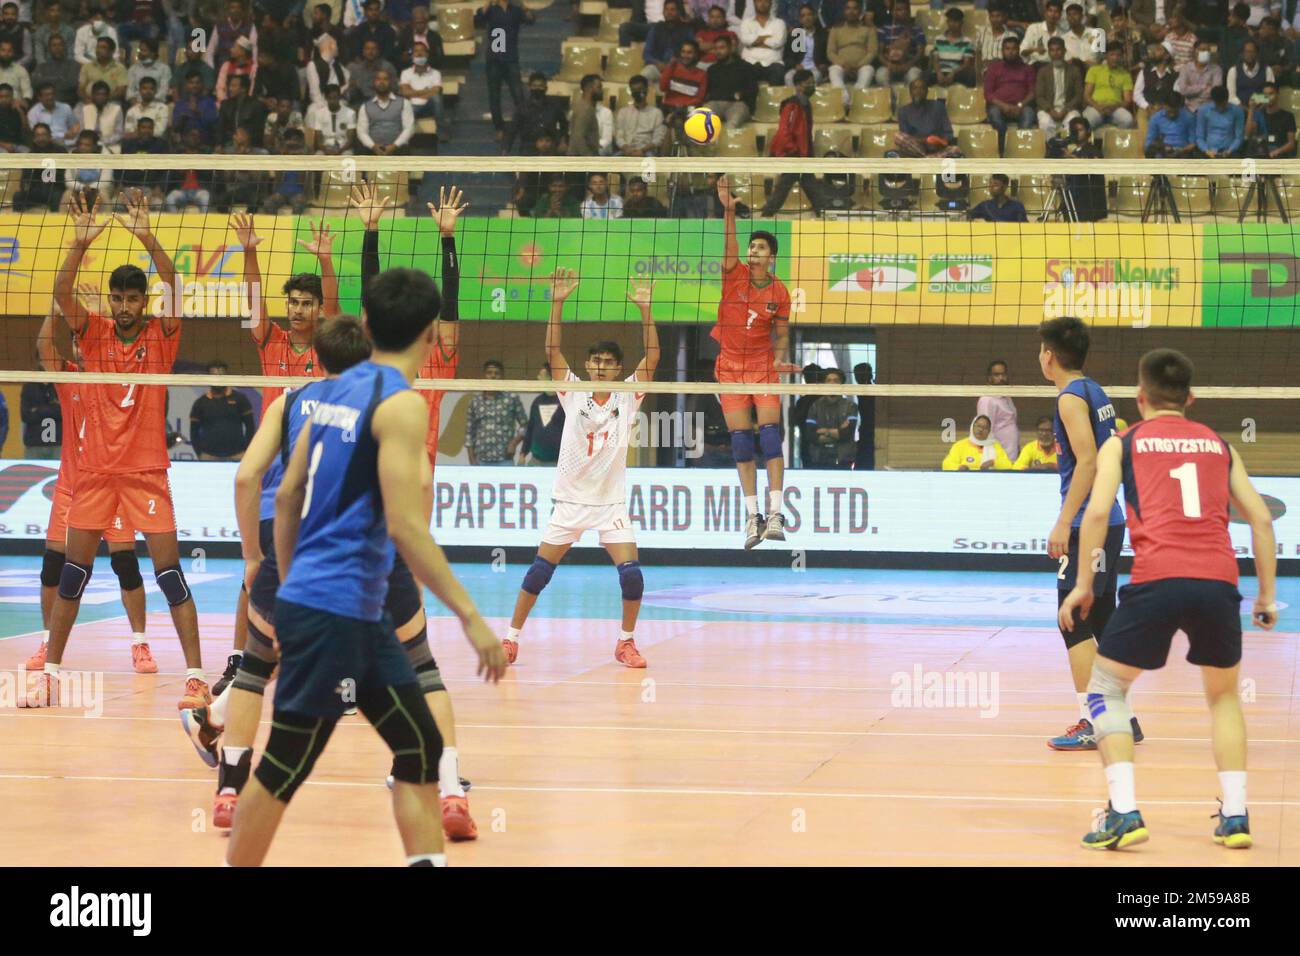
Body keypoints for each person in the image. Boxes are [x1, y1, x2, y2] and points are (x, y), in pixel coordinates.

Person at [223, 269, 506, 867]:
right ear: (433, 333)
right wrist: (473, 618)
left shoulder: (320, 395)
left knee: (420, 746)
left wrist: (291, 576)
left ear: (367, 325)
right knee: (283, 767)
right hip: (336, 613)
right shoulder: (399, 406)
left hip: (350, 611)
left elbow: (285, 493)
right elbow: (407, 528)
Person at [1060, 348, 1278, 851]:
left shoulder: (1124, 443)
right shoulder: (1218, 445)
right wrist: (1265, 595)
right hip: (1218, 581)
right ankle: (1237, 816)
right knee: (1223, 697)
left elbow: (1096, 515)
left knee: (1106, 690)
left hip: (1157, 578)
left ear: (1140, 399)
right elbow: (1262, 520)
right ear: (1192, 399)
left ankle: (1123, 812)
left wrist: (1084, 585)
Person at [31, 190, 207, 710]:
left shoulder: (162, 335)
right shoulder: (96, 332)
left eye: (134, 299)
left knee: (169, 574)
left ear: (144, 303)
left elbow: (174, 286)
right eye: (119, 298)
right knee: (73, 575)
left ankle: (196, 675)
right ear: (110, 300)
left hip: (146, 474)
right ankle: (52, 673)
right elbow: (64, 296)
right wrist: (80, 244)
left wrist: (148, 235)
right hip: (95, 474)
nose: (126, 307)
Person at [502, 269, 659, 669]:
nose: (602, 366)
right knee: (539, 573)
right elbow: (553, 351)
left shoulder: (628, 394)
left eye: (609, 362)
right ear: (588, 365)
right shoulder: (572, 389)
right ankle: (510, 639)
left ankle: (625, 642)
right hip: (570, 500)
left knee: (632, 577)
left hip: (610, 503)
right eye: (597, 361)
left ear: (618, 367)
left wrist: (646, 311)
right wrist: (557, 302)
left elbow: (653, 358)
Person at [24, 302, 150, 675]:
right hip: (72, 486)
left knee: (125, 565)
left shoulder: (121, 374)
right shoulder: (70, 377)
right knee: (52, 568)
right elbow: (44, 348)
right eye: (79, 340)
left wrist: (101, 317)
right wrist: (53, 308)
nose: (83, 345)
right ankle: (48, 641)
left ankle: (140, 643)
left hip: (114, 484)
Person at [1038, 315, 1141, 751]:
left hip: (1088, 525)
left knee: (1072, 619)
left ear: (1048, 356)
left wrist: (1064, 521)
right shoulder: (1096, 390)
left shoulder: (1069, 398)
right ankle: (1123, 718)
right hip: (1108, 519)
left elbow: (1089, 462)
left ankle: (1091, 720)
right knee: (1099, 617)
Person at [715, 174, 796, 547]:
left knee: (770, 439)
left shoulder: (780, 291)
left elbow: (782, 334)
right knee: (741, 445)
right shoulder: (735, 276)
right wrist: (729, 212)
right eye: (752, 247)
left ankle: (776, 514)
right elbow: (730, 250)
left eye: (761, 247)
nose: (755, 251)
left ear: (772, 255)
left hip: (762, 367)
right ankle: (752, 517)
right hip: (729, 367)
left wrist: (779, 361)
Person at [758, 67, 817, 216]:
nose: (811, 86)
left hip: (803, 154)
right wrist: (793, 151)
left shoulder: (805, 104)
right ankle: (766, 214)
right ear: (797, 85)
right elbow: (785, 131)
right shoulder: (792, 105)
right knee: (785, 185)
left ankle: (824, 212)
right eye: (807, 83)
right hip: (794, 153)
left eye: (813, 83)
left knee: (809, 184)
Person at [474, 0, 534, 140]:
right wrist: (487, 3)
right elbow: (478, 20)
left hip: (511, 58)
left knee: (518, 95)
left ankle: (523, 126)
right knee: (494, 96)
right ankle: (499, 128)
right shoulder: (490, 10)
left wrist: (524, 7)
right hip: (494, 59)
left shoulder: (516, 10)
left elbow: (531, 20)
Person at [189, 360, 256, 461]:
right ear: (208, 377)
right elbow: (193, 432)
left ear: (227, 376)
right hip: (208, 456)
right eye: (214, 375)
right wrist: (200, 453)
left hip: (237, 455)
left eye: (221, 375)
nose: (218, 378)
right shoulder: (201, 403)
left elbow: (250, 427)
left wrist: (246, 450)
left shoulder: (240, 399)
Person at [466, 359, 527, 464]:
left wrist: (514, 443)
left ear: (502, 377)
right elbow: (469, 433)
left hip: (505, 460)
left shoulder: (511, 399)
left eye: (497, 373)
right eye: (489, 373)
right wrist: (472, 459)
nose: (493, 376)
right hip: (481, 460)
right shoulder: (475, 402)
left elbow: (525, 425)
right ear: (484, 376)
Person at [984, 36, 1036, 151]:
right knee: (994, 115)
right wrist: (1003, 106)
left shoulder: (1027, 69)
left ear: (1018, 50)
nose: (1011, 52)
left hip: (1021, 106)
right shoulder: (994, 68)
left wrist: (1020, 105)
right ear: (1002, 51)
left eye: (1014, 49)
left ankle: (1020, 151)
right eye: (1007, 49)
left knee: (1029, 114)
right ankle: (1003, 152)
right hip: (998, 106)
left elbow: (1032, 92)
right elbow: (988, 94)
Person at [803, 368, 858, 468]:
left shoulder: (851, 406)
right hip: (818, 459)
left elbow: (847, 434)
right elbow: (810, 435)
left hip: (843, 460)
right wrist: (837, 432)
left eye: (836, 380)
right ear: (824, 384)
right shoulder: (815, 406)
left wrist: (824, 431)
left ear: (842, 385)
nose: (832, 383)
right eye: (828, 380)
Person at [894, 76, 960, 157]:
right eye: (915, 88)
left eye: (922, 88)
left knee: (955, 150)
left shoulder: (938, 107)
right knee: (898, 137)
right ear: (910, 92)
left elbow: (948, 134)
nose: (918, 91)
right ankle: (927, 158)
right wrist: (924, 141)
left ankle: (925, 158)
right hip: (916, 148)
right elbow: (906, 138)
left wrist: (938, 143)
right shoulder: (903, 111)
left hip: (936, 148)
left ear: (927, 91)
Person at [356, 68, 413, 154]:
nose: (381, 82)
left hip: (398, 148)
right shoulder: (365, 106)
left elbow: (409, 128)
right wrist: (373, 146)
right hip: (373, 149)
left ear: (391, 82)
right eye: (378, 79)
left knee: (405, 150)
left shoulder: (404, 103)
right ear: (374, 82)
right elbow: (361, 132)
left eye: (385, 79)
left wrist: (394, 146)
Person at [827, 0, 875, 103]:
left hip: (862, 66)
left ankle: (855, 100)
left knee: (869, 69)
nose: (851, 11)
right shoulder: (836, 29)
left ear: (860, 11)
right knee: (833, 70)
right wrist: (843, 64)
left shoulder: (868, 29)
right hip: (842, 66)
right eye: (848, 8)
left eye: (854, 8)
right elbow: (830, 52)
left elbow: (872, 52)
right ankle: (844, 100)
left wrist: (858, 65)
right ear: (844, 11)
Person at [704, 34, 756, 128]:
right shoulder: (712, 70)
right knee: (703, 120)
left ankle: (727, 142)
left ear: (731, 48)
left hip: (738, 105)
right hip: (716, 103)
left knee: (732, 124)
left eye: (722, 48)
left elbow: (752, 90)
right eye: (716, 48)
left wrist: (740, 95)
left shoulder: (745, 67)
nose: (718, 51)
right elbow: (708, 93)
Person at [1036, 36, 1083, 138]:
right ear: (1049, 52)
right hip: (1048, 109)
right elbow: (1039, 96)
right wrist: (1050, 110)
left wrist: (1065, 110)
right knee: (1046, 123)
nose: (1055, 53)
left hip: (1069, 109)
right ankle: (1051, 151)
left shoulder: (1074, 70)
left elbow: (1079, 95)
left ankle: (1067, 151)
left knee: (1072, 122)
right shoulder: (1043, 71)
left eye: (1058, 50)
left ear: (1064, 51)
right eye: (1052, 50)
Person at [642, 0, 696, 84]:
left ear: (678, 12)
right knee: (645, 74)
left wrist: (677, 63)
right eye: (666, 9)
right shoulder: (656, 29)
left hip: (678, 68)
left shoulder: (687, 30)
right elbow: (646, 54)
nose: (669, 12)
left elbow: (693, 52)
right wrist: (657, 63)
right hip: (658, 67)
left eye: (672, 9)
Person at [518, 366, 564, 465]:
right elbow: (530, 429)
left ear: (550, 378)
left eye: (541, 376)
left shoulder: (564, 402)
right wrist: (523, 453)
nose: (538, 378)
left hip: (558, 462)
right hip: (536, 460)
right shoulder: (537, 401)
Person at [1083, 45, 1136, 130]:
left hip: (1115, 109)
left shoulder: (1125, 74)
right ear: (1106, 56)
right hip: (1096, 107)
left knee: (1128, 120)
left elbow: (1127, 100)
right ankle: (1089, 143)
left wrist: (1114, 107)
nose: (1115, 58)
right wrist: (1097, 106)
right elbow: (1087, 95)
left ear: (1122, 57)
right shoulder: (1094, 70)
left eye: (1118, 55)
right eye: (1112, 54)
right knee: (1087, 120)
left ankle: (1117, 142)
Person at [976, 358, 1019, 459]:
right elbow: (984, 431)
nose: (1001, 378)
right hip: (997, 459)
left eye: (1003, 374)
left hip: (1011, 456)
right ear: (989, 378)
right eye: (996, 375)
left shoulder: (1007, 397)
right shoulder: (987, 399)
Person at [739, 0, 788, 85]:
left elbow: (778, 42)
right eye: (759, 1)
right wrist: (769, 38)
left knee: (778, 71)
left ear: (771, 4)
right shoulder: (746, 22)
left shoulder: (779, 23)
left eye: (766, 1)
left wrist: (754, 41)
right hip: (750, 61)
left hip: (773, 63)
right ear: (754, 3)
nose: (762, 4)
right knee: (742, 70)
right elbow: (745, 40)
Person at [616, 74, 667, 156]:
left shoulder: (656, 113)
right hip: (626, 150)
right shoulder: (623, 112)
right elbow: (619, 137)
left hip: (647, 151)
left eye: (640, 89)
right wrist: (627, 149)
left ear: (646, 90)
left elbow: (658, 139)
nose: (637, 92)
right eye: (634, 90)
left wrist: (642, 151)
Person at [1244, 81, 1297, 158]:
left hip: (1279, 155)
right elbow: (1247, 135)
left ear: (1278, 95)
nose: (1268, 97)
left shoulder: (1288, 116)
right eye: (1265, 95)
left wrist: (1277, 152)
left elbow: (1291, 144)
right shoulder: (1258, 114)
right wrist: (1251, 109)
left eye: (1271, 94)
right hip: (1261, 154)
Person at [942, 415, 1013, 470]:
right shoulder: (959, 446)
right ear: (972, 427)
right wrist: (959, 467)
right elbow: (946, 464)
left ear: (989, 431)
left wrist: (993, 462)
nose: (980, 429)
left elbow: (1008, 465)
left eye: (985, 427)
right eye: (978, 426)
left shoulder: (995, 445)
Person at [931, 7, 975, 90]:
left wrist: (953, 73)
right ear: (947, 22)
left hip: (957, 72)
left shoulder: (967, 41)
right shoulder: (938, 39)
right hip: (940, 70)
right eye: (950, 21)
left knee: (971, 76)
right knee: (923, 77)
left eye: (956, 21)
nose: (953, 24)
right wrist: (938, 73)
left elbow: (966, 64)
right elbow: (935, 60)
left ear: (961, 23)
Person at [1173, 40, 1222, 113]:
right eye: (1203, 50)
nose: (1206, 52)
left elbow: (1215, 92)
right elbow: (1183, 90)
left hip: (1209, 109)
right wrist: (1203, 87)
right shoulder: (1185, 69)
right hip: (1189, 109)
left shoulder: (1216, 69)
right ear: (1194, 51)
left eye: (1208, 50)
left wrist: (1191, 90)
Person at [306, 81, 356, 153]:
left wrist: (340, 151)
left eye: (335, 98)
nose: (332, 101)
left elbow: (350, 139)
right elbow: (319, 139)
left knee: (348, 161)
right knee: (317, 158)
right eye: (330, 98)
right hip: (325, 148)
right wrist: (326, 151)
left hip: (344, 149)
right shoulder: (319, 113)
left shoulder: (350, 113)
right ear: (326, 98)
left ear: (339, 97)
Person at [1196, 85, 1245, 158]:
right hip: (1208, 151)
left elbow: (1239, 137)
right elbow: (1199, 137)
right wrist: (1206, 151)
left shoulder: (1237, 111)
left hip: (1230, 151)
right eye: (1218, 104)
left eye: (1223, 104)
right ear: (1213, 100)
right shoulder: (1203, 110)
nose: (1220, 107)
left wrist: (1230, 150)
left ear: (1227, 99)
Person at [1144, 90, 1197, 157]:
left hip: (1183, 153)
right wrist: (1162, 148)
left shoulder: (1189, 118)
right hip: (1163, 152)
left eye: (1175, 112)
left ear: (1180, 107)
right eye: (1169, 111)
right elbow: (1149, 142)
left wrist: (1182, 150)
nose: (1172, 115)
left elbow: (1193, 143)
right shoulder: (1156, 118)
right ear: (1164, 106)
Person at [1227, 40, 1273, 107]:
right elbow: (1231, 97)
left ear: (1257, 53)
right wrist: (1246, 109)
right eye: (1247, 52)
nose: (1249, 54)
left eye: (1252, 52)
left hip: (1261, 109)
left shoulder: (1267, 70)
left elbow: (1271, 95)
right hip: (1239, 109)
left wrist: (1255, 101)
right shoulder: (1233, 71)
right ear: (1242, 54)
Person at [1019, 0, 1067, 66]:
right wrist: (1035, 50)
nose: (1053, 14)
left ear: (1060, 15)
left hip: (1054, 66)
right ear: (1045, 13)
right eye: (1050, 11)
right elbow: (1022, 52)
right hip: (1035, 64)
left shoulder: (1063, 34)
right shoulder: (1033, 28)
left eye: (1056, 12)